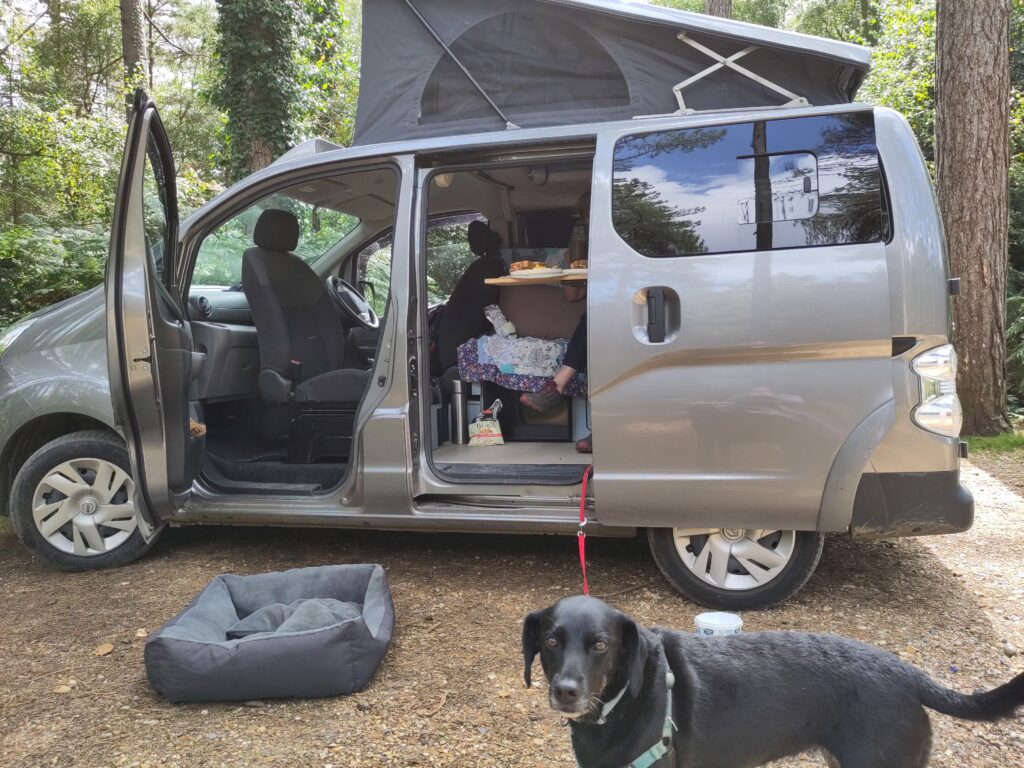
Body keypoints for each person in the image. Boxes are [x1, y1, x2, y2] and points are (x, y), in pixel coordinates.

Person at [519, 191, 592, 454]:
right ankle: (557, 387)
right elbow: (574, 296)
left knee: (593, 322)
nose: (588, 220)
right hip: (604, 314)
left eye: (591, 213)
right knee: (592, 323)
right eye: (585, 217)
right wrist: (576, 264)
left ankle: (556, 386)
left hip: (629, 308)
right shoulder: (589, 246)